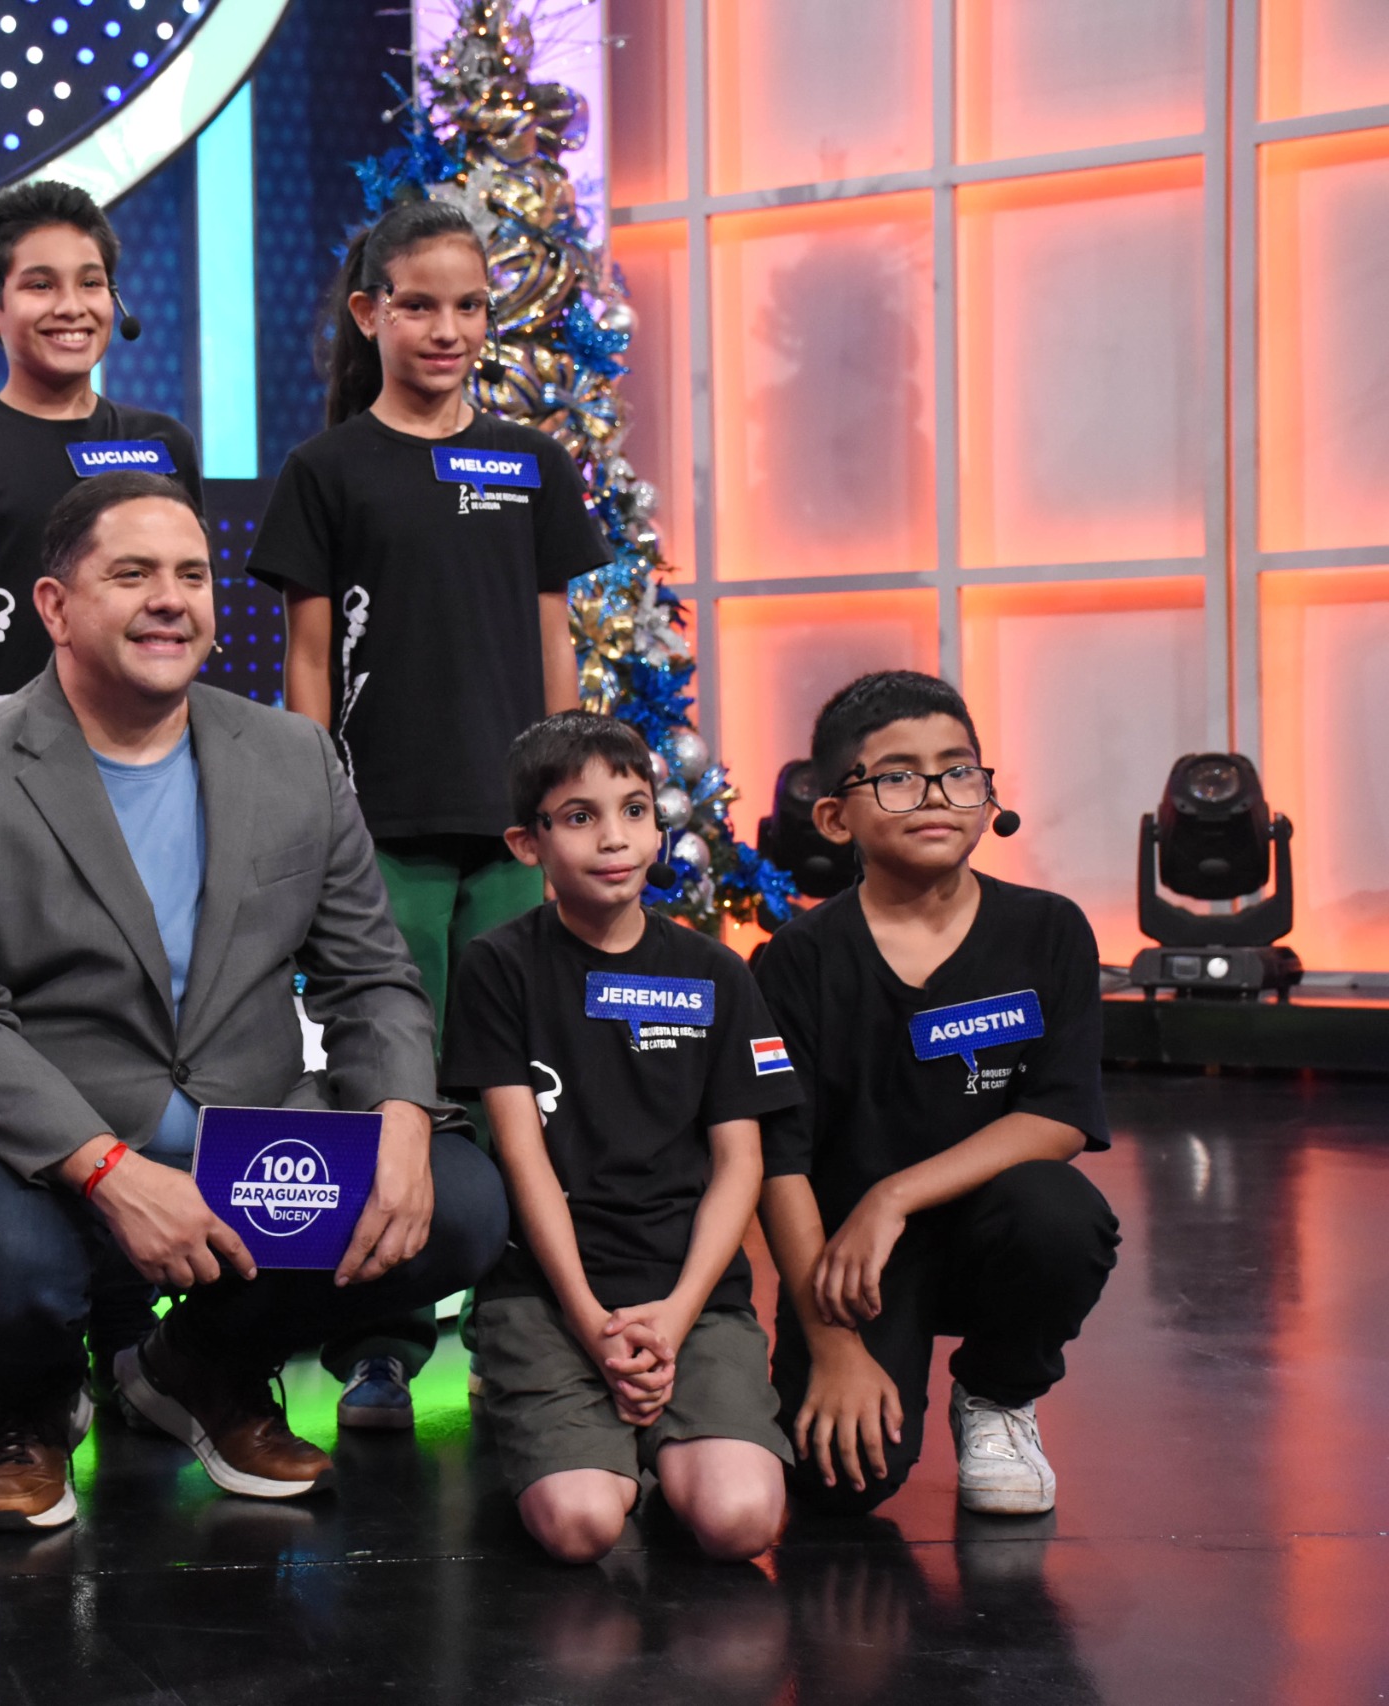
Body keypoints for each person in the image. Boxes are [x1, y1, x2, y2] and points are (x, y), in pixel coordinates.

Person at [0, 471, 508, 1530]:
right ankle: (38, 1395)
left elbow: (370, 975)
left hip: (245, 1129)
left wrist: (400, 1116)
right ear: (54, 607)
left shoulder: (294, 755)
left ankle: (199, 1365)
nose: (171, 599)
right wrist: (109, 1171)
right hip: (37, 1150)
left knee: (460, 1201)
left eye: (192, 575)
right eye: (132, 574)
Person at [249, 196, 610, 1430]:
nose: (445, 328)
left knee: (518, 1083)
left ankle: (526, 1322)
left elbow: (554, 641)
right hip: (380, 832)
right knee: (387, 1087)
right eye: (417, 304)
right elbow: (307, 661)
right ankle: (379, 1343)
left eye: (468, 305)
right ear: (370, 313)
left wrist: (567, 797)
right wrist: (317, 811)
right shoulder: (327, 469)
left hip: (512, 833)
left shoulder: (530, 461)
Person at [756, 671, 1119, 1518]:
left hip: (986, 1228)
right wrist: (833, 1346)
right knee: (842, 1484)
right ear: (834, 817)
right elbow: (780, 1163)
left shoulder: (1049, 930)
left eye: (958, 771)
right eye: (896, 776)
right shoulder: (796, 961)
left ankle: (997, 1393)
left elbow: (1060, 1117)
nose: (934, 796)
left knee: (1060, 1214)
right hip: (854, 1264)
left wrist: (894, 1195)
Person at [442, 712, 799, 1563]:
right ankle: (591, 1438)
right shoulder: (499, 967)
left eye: (635, 810)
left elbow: (740, 1164)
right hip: (550, 1296)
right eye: (580, 817)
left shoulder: (717, 972)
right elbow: (522, 1157)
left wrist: (673, 1321)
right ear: (528, 844)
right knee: (582, 1525)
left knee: (741, 1521)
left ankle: (660, 1444)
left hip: (690, 1298)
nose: (614, 838)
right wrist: (592, 1322)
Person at [0, 180, 203, 747]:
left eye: (91, 283)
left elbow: (189, 599)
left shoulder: (163, 441)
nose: (71, 306)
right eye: (40, 285)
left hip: (148, 752)